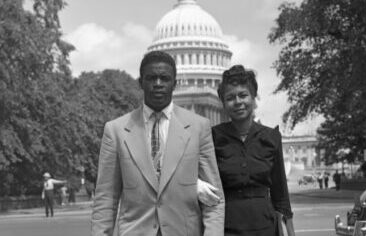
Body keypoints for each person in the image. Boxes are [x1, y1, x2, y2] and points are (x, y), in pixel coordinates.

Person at [91, 51, 224, 236]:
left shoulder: (198, 127)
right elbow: (106, 199)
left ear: (175, 83)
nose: (158, 84)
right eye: (151, 78)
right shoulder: (116, 130)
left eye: (164, 78)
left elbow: (215, 199)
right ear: (141, 82)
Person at [210, 65, 295, 235]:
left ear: (253, 97)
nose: (238, 102)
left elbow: (281, 194)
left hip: (265, 225)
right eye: (230, 98)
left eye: (243, 95)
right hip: (226, 226)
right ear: (223, 103)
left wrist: (291, 232)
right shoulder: (212, 137)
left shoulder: (271, 137)